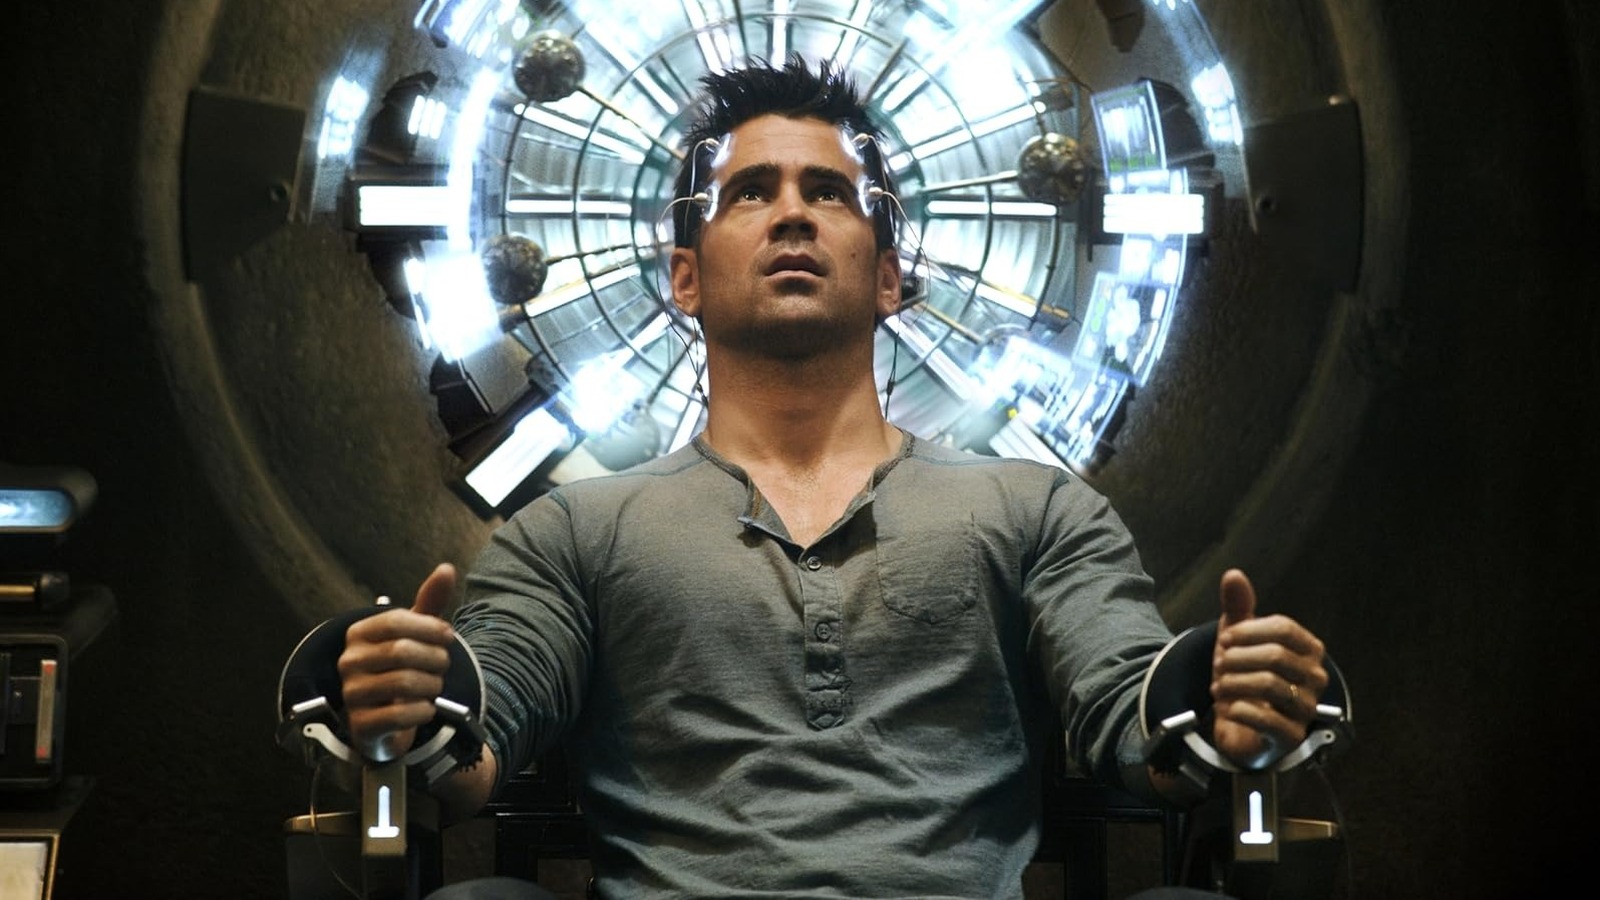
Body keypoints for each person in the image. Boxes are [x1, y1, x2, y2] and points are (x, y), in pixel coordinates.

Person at [336, 58, 1329, 899]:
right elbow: (481, 734)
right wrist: (413, 711)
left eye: (829, 192)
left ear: (889, 278)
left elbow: (1133, 714)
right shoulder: (572, 531)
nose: (792, 216)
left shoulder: (1037, 509)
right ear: (685, 279)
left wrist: (1218, 706)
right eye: (749, 192)